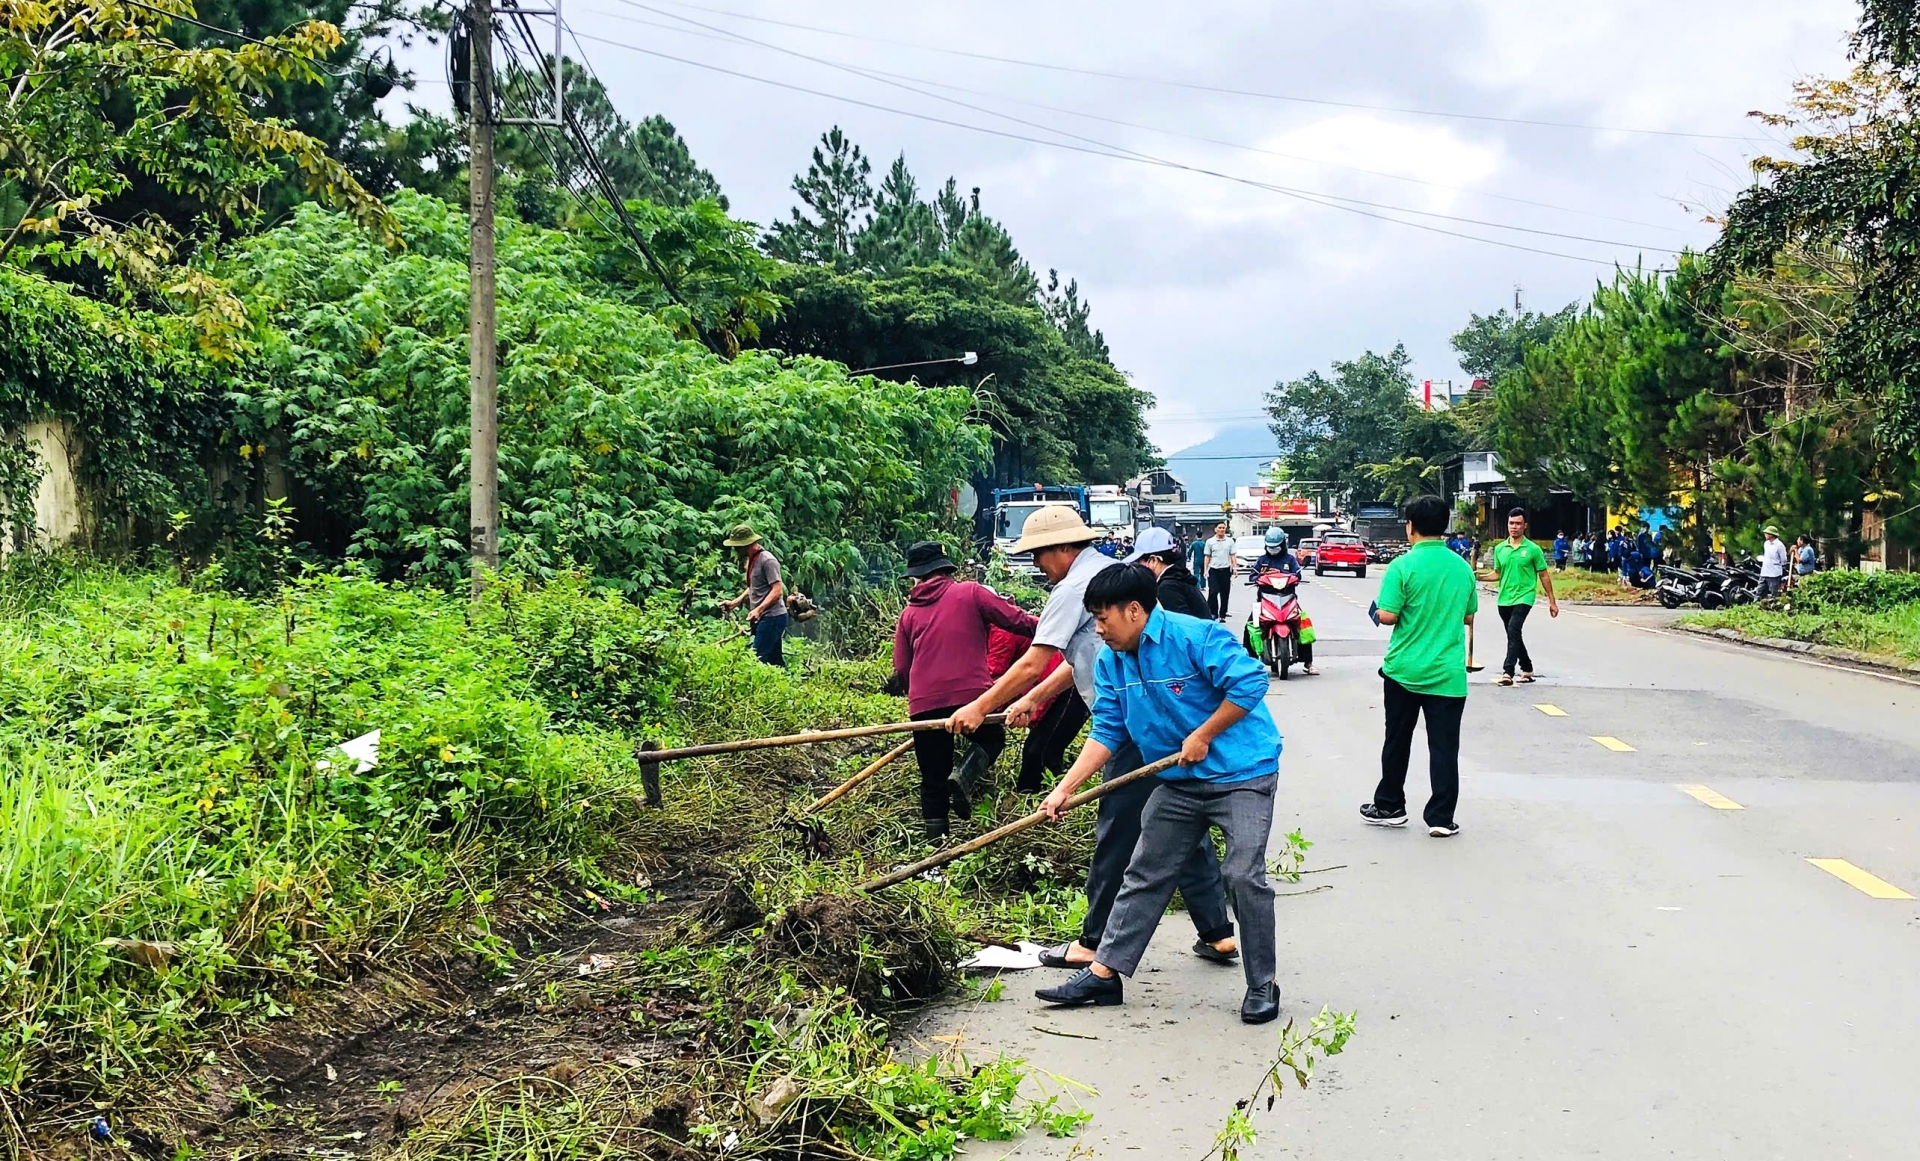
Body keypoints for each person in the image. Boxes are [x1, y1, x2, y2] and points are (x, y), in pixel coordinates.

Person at [949, 506, 1237, 971]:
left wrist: (980, 706)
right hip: (1158, 717)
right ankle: (1217, 932)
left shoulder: (1074, 589)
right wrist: (1033, 698)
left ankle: (1093, 941)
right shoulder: (1111, 577)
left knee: (1117, 828)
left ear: (1063, 548)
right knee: (1177, 818)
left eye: (1040, 554)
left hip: (1132, 722)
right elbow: (1076, 657)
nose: (1038, 564)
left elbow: (1032, 659)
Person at [1033, 564, 1282, 1024]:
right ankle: (1105, 974)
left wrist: (1205, 733)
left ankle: (1262, 983)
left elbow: (1251, 683)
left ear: (1134, 611)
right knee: (1145, 872)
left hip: (1243, 772)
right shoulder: (1111, 660)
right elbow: (1108, 728)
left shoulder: (1196, 637)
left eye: (1103, 619)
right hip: (1180, 785)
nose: (1099, 630)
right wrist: (1066, 788)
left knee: (1243, 873)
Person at [891, 543, 1038, 839]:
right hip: (971, 695)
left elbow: (902, 667)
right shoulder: (971, 592)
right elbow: (1016, 620)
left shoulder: (908, 615)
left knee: (932, 778)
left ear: (916, 579)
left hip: (924, 704)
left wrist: (919, 695)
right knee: (991, 738)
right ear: (946, 570)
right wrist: (1052, 630)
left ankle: (936, 852)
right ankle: (964, 775)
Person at [1360, 495, 1479, 837]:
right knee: (1444, 747)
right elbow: (1469, 615)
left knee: (1397, 740)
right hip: (1447, 674)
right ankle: (1441, 817)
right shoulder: (1462, 567)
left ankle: (1390, 805)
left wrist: (1375, 611)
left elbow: (1388, 616)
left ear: (1410, 527)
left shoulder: (1402, 566)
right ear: (1444, 527)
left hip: (1404, 671)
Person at [1489, 509, 1558, 686]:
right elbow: (1497, 574)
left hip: (1524, 597)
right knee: (1514, 635)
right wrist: (1477, 576)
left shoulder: (1533, 549)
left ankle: (1508, 671)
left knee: (1513, 630)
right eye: (1512, 523)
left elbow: (1543, 575)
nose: (1514, 527)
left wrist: (1552, 601)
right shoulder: (1500, 549)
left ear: (1525, 526)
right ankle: (1527, 668)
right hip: (1504, 598)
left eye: (1518, 524)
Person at [1243, 527, 1316, 674]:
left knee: (1303, 625)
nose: (1273, 550)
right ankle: (1249, 662)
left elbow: (1297, 574)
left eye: (1276, 547)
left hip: (1288, 599)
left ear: (1283, 544)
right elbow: (1252, 576)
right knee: (1249, 627)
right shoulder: (1262, 560)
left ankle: (1308, 663)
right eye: (1270, 547)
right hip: (1264, 600)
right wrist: (1258, 578)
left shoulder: (1290, 560)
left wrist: (1293, 578)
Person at [720, 525, 788, 666]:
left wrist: (759, 609)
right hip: (765, 617)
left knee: (755, 659)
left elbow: (777, 590)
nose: (736, 550)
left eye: (738, 547)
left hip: (773, 617)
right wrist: (734, 603)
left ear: (748, 544)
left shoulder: (767, 560)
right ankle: (788, 685)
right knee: (774, 662)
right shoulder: (753, 560)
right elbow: (753, 587)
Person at [1126, 526, 1208, 618]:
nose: (1138, 568)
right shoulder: (1179, 577)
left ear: (1153, 560)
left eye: (1138, 563)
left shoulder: (1168, 587)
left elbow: (1180, 628)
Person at [1203, 523, 1236, 621]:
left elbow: (1233, 555)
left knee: (1225, 593)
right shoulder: (1210, 542)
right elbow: (1207, 556)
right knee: (1213, 591)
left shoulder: (1230, 541)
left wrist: (1235, 568)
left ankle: (1223, 614)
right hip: (1213, 570)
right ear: (1215, 529)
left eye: (1223, 528)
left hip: (1225, 570)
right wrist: (1205, 570)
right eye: (1220, 528)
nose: (1222, 530)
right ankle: (1213, 612)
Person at [1759, 525, 1789, 597]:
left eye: (1766, 533)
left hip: (1774, 574)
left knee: (1774, 594)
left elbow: (1783, 560)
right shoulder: (1766, 544)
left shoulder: (1779, 545)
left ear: (1771, 535)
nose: (1765, 535)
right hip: (1764, 572)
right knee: (1759, 592)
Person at [1186, 532, 1211, 597]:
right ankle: (1203, 586)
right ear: (1202, 536)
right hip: (1203, 560)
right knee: (1203, 572)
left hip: (1196, 560)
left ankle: (1197, 585)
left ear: (1196, 536)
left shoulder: (1194, 543)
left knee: (1196, 573)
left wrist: (1188, 557)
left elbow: (1189, 552)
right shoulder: (1204, 543)